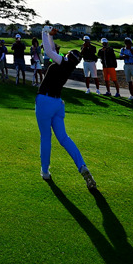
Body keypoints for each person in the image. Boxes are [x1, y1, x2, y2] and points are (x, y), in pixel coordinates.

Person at [36, 26, 97, 190]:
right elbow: (53, 50)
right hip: (58, 104)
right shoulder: (68, 64)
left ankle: (45, 171)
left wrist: (44, 31)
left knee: (46, 137)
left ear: (68, 57)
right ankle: (82, 166)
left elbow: (49, 51)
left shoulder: (61, 62)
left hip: (45, 101)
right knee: (64, 138)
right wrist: (50, 35)